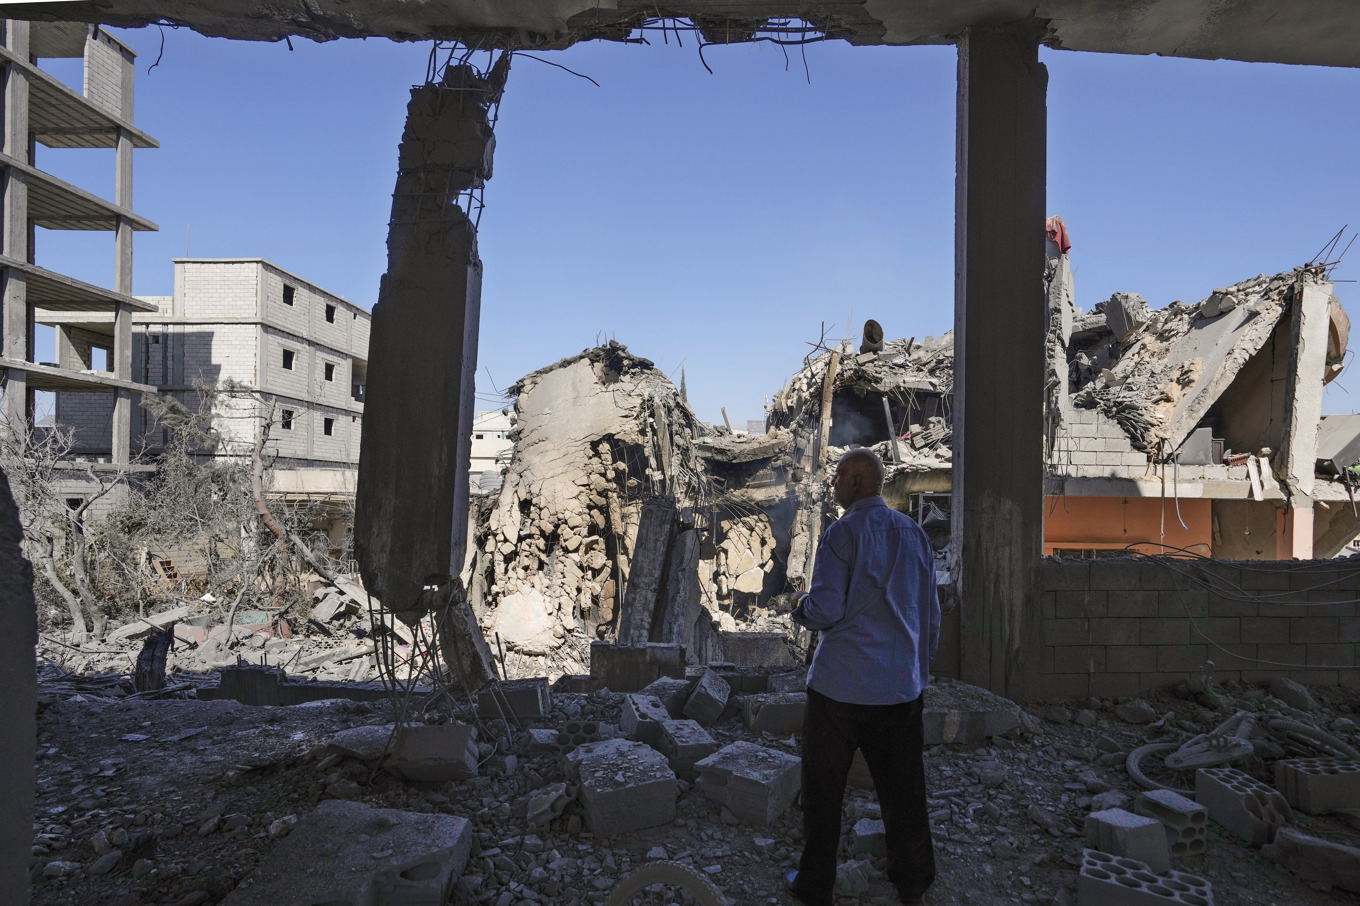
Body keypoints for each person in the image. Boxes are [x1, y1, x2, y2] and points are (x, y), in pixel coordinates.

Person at [785, 448, 940, 906]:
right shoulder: (915, 535)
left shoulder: (842, 533)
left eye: (837, 478)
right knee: (904, 793)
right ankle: (912, 883)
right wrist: (916, 673)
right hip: (899, 691)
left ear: (855, 483)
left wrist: (800, 609)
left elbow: (827, 608)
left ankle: (815, 887)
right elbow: (929, 617)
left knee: (824, 793)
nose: (833, 485)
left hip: (840, 691)